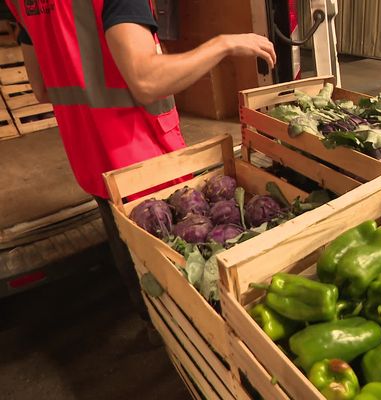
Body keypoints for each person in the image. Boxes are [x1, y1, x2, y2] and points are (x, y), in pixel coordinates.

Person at [5, 0, 276, 321]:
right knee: (187, 292)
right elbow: (147, 80)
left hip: (92, 160)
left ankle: (156, 327)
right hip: (147, 164)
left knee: (138, 272)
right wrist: (224, 44)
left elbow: (41, 88)